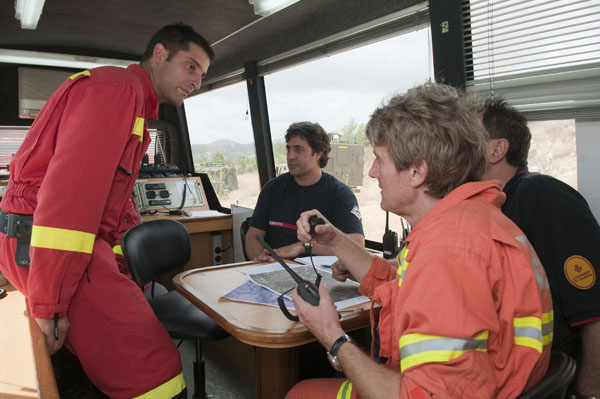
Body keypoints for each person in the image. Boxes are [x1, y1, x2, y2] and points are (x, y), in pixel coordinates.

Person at [285, 83, 553, 399]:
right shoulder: (472, 221)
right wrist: (335, 238)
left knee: (300, 393)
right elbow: (399, 286)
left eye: (379, 160)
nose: (372, 173)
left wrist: (330, 333)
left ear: (416, 171)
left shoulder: (448, 252)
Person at [0, 23, 213, 398]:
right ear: (159, 54)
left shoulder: (132, 103)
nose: (197, 81)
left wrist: (120, 265)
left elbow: (112, 200)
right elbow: (69, 200)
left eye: (203, 74)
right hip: (44, 244)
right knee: (154, 371)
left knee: (90, 361)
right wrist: (51, 303)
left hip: (50, 245)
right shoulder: (116, 91)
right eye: (190, 66)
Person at [480, 98, 600, 399]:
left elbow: (594, 311)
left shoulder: (542, 195)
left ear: (497, 149)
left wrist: (590, 392)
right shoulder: (489, 205)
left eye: (468, 136)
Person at [245, 121, 364, 261]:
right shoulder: (272, 189)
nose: (290, 156)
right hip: (274, 267)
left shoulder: (340, 194)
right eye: (288, 149)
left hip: (318, 275)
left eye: (298, 149)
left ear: (318, 153)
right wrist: (259, 260)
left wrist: (303, 247)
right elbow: (253, 236)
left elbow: (357, 244)